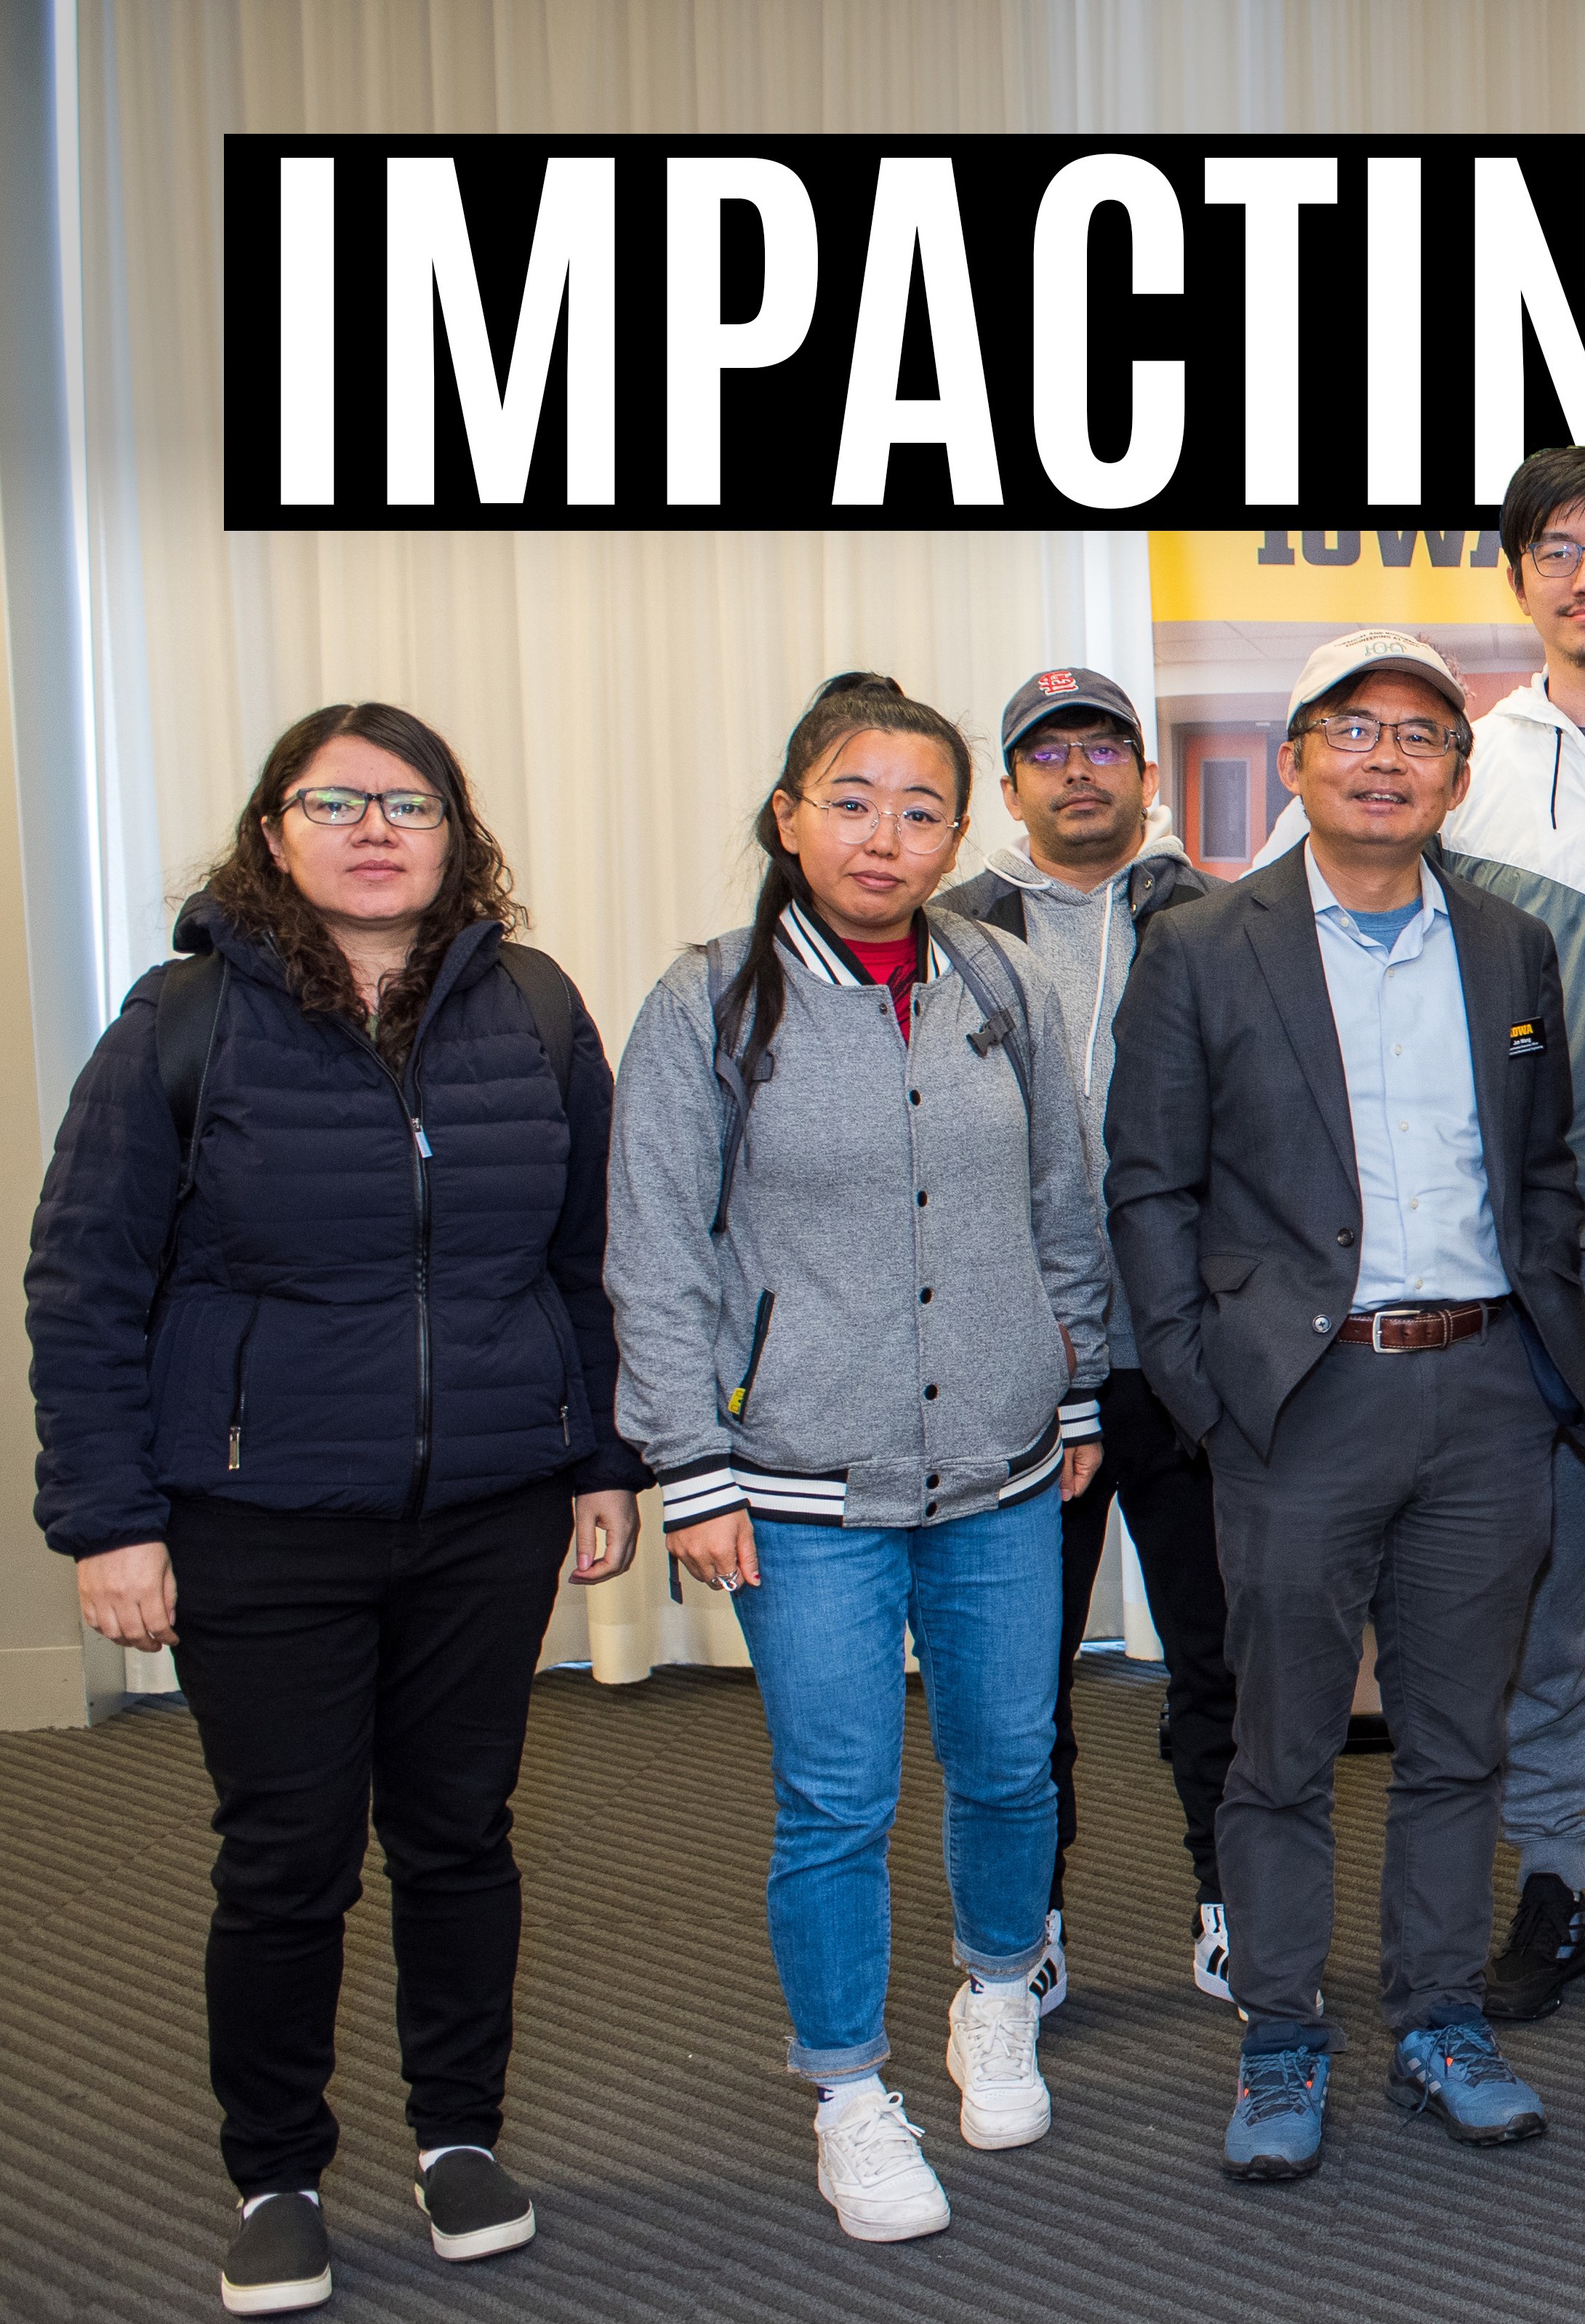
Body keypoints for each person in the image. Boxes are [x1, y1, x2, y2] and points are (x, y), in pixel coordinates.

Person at [34, 704, 641, 2315]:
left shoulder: (531, 1006)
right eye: (337, 801)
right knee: (288, 1854)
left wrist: (602, 1456)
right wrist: (108, 1514)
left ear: (457, 833)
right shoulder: (183, 1019)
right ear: (275, 829)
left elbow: (587, 1259)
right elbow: (84, 1279)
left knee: (458, 1836)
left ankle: (460, 2136)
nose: (377, 829)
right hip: (258, 1511)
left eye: (411, 802)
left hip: (490, 1507)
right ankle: (279, 2168)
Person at [609, 673, 1112, 2245]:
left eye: (919, 807)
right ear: (788, 815)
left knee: (1012, 1755)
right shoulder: (707, 1001)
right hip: (796, 1479)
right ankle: (846, 2086)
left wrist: (1079, 1383)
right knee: (835, 1793)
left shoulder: (1000, 977)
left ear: (959, 829)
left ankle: (993, 1988)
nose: (885, 834)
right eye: (851, 798)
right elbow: (656, 1249)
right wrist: (689, 1459)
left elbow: (1060, 1199)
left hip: (1004, 1460)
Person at [1105, 628, 1585, 2181]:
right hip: (1297, 1400)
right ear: (1300, 757)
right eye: (1353, 731)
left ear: (1459, 775)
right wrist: (1208, 1385)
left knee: (1460, 1737)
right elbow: (1148, 1184)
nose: (1386, 758)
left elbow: (1541, 1168)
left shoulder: (1510, 948)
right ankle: (1278, 2036)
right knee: (1281, 1746)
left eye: (1419, 734)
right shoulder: (1204, 943)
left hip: (1483, 1391)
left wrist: (1549, 1361)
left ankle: (1439, 2017)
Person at [1337, 448, 1585, 2027]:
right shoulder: (1470, 765)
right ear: (1517, 578)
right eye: (1556, 552)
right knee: (1538, 1595)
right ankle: (1552, 1884)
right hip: (1538, 1249)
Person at [942, 664, 1231, 2012]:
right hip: (1017, 1372)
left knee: (1219, 1661)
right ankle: (1030, 1924)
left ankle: (1229, 1901)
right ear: (1009, 789)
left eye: (1103, 746)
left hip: (1184, 1364)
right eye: (1047, 753)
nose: (1078, 771)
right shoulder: (943, 937)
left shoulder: (1228, 923)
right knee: (1018, 1689)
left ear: (1145, 775)